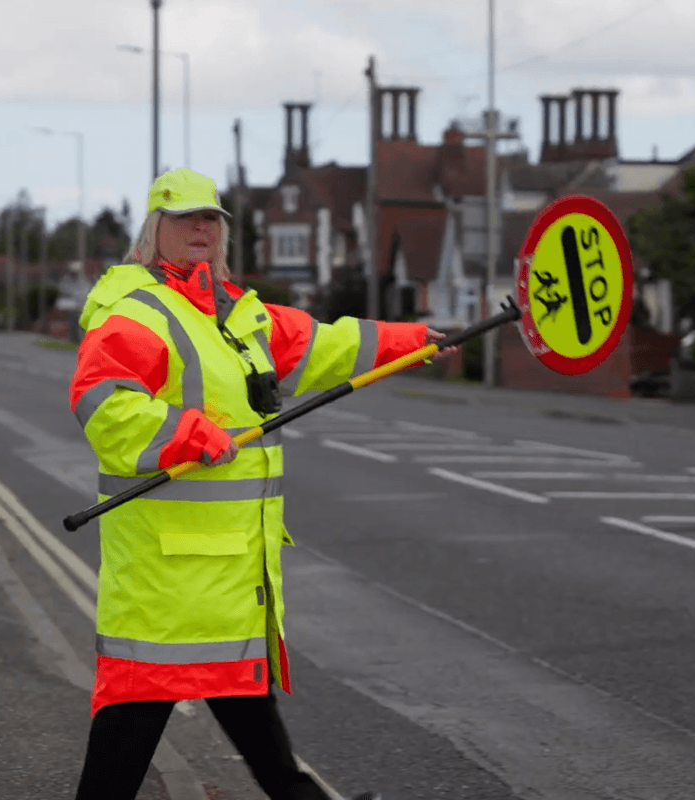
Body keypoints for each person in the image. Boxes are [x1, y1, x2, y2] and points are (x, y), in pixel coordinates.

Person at [69, 168, 455, 800]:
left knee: (236, 686)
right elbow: (104, 404)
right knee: (142, 700)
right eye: (185, 218)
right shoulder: (134, 312)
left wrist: (412, 340)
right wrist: (185, 432)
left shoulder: (238, 314)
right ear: (154, 230)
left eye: (210, 219)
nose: (200, 228)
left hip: (229, 567)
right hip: (165, 572)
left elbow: (325, 345)